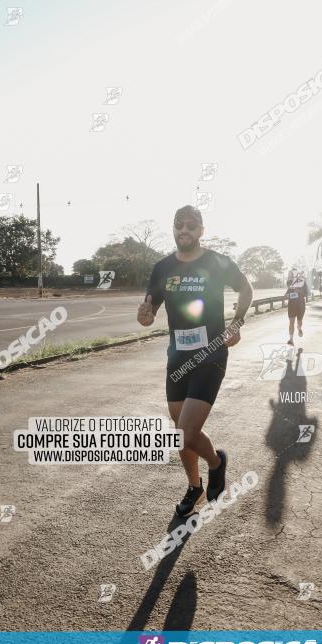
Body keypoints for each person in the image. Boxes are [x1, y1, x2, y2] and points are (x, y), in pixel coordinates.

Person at [137, 205, 253, 518]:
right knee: (180, 433)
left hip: (211, 354)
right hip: (177, 358)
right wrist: (144, 315)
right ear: (173, 229)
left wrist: (237, 322)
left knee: (187, 431)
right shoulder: (162, 268)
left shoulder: (216, 261)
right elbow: (149, 313)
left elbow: (246, 288)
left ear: (201, 230)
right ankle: (194, 486)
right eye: (179, 225)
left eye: (191, 225)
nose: (184, 230)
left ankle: (216, 463)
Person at [284, 270, 309, 345]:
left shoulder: (303, 283)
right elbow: (286, 295)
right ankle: (291, 339)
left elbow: (307, 293)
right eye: (291, 274)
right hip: (292, 305)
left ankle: (299, 328)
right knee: (291, 322)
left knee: (299, 321)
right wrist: (286, 297)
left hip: (300, 305)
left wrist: (300, 291)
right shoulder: (290, 284)